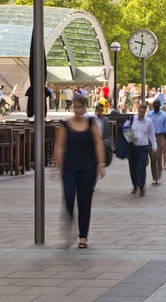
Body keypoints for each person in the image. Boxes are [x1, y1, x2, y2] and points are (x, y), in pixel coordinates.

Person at [53, 95, 106, 249]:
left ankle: (83, 236)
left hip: (88, 168)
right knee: (69, 198)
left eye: (80, 107)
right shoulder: (65, 125)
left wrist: (101, 164)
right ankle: (69, 232)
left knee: (84, 202)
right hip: (69, 167)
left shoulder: (91, 123)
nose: (77, 110)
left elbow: (98, 143)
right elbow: (60, 145)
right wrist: (58, 162)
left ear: (85, 108)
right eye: (75, 107)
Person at [123, 103, 157, 196]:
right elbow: (124, 129)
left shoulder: (148, 121)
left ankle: (142, 187)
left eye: (143, 112)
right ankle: (135, 185)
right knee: (133, 168)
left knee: (141, 167)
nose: (141, 113)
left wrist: (154, 145)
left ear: (145, 111)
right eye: (140, 111)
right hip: (133, 147)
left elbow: (151, 134)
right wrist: (130, 138)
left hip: (143, 147)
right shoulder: (132, 119)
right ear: (137, 110)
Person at [147, 100, 166, 185]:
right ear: (153, 105)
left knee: (158, 156)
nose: (156, 105)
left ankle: (159, 175)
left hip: (160, 135)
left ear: (159, 105)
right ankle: (154, 178)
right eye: (154, 104)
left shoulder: (164, 115)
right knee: (152, 157)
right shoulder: (149, 114)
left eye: (157, 104)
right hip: (150, 136)